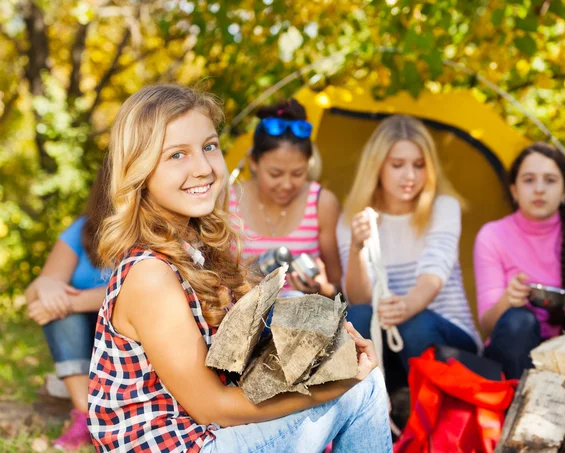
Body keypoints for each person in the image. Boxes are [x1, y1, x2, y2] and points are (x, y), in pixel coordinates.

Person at [88, 84, 392, 453]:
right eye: (176, 155)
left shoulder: (198, 251)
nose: (202, 168)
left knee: (355, 369)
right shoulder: (151, 273)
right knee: (364, 387)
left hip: (209, 436)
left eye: (209, 146)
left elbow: (241, 364)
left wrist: (330, 347)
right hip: (185, 445)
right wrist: (336, 386)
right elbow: (212, 407)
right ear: (140, 169)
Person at [336, 115, 481, 383]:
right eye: (397, 165)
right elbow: (360, 298)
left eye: (419, 165)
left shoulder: (444, 208)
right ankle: (377, 410)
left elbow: (433, 273)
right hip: (389, 340)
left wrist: (406, 306)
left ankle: (429, 417)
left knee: (416, 324)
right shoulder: (354, 218)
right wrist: (357, 248)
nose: (410, 176)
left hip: (447, 335)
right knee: (357, 317)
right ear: (377, 167)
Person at [474, 142, 565, 379]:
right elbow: (488, 326)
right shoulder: (491, 235)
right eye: (529, 180)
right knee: (518, 320)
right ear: (513, 190)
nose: (539, 189)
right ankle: (515, 410)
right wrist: (507, 301)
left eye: (550, 180)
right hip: (512, 352)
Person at [25, 160, 111, 451]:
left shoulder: (155, 232)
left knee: (61, 307)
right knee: (57, 310)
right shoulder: (82, 231)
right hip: (84, 343)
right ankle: (87, 418)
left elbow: (135, 292)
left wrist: (71, 302)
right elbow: (35, 295)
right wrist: (45, 289)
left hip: (128, 337)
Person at [229, 99, 341, 297]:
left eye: (298, 173)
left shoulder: (322, 203)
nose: (287, 184)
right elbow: (209, 280)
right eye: (275, 174)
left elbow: (337, 286)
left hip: (303, 316)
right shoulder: (227, 201)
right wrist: (238, 279)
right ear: (253, 162)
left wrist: (320, 288)